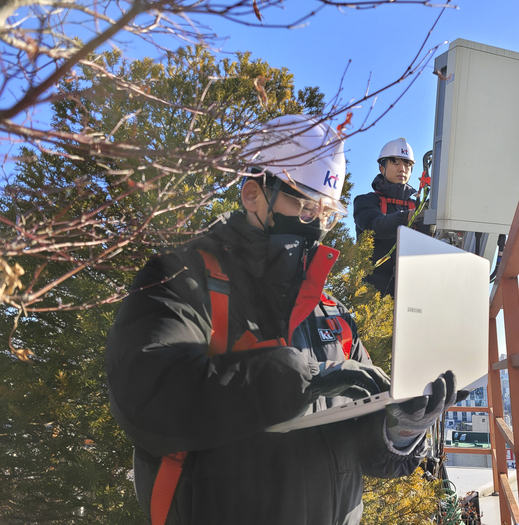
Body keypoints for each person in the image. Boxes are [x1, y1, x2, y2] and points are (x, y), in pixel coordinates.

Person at [105, 115, 464, 525]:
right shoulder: (185, 281)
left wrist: (403, 429)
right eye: (304, 205)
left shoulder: (333, 315)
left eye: (326, 212)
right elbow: (145, 395)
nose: (316, 226)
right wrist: (297, 379)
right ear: (253, 193)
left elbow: (367, 452)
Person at [353, 138, 420, 297]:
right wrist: (407, 218)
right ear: (382, 168)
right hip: (373, 296)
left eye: (407, 165)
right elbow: (375, 226)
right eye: (396, 163)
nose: (402, 169)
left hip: (411, 293)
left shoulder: (417, 206)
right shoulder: (366, 201)